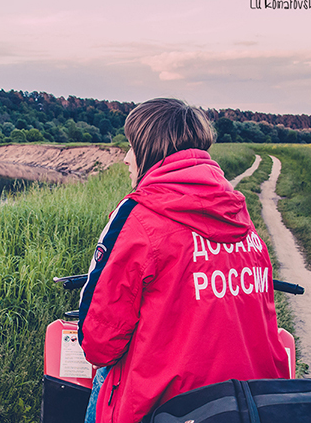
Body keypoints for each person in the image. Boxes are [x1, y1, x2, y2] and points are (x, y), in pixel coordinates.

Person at [78, 98, 289, 423]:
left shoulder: (137, 218)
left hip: (168, 411)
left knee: (103, 375)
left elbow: (98, 344)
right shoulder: (238, 214)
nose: (125, 158)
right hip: (251, 404)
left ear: (149, 150)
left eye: (131, 147)